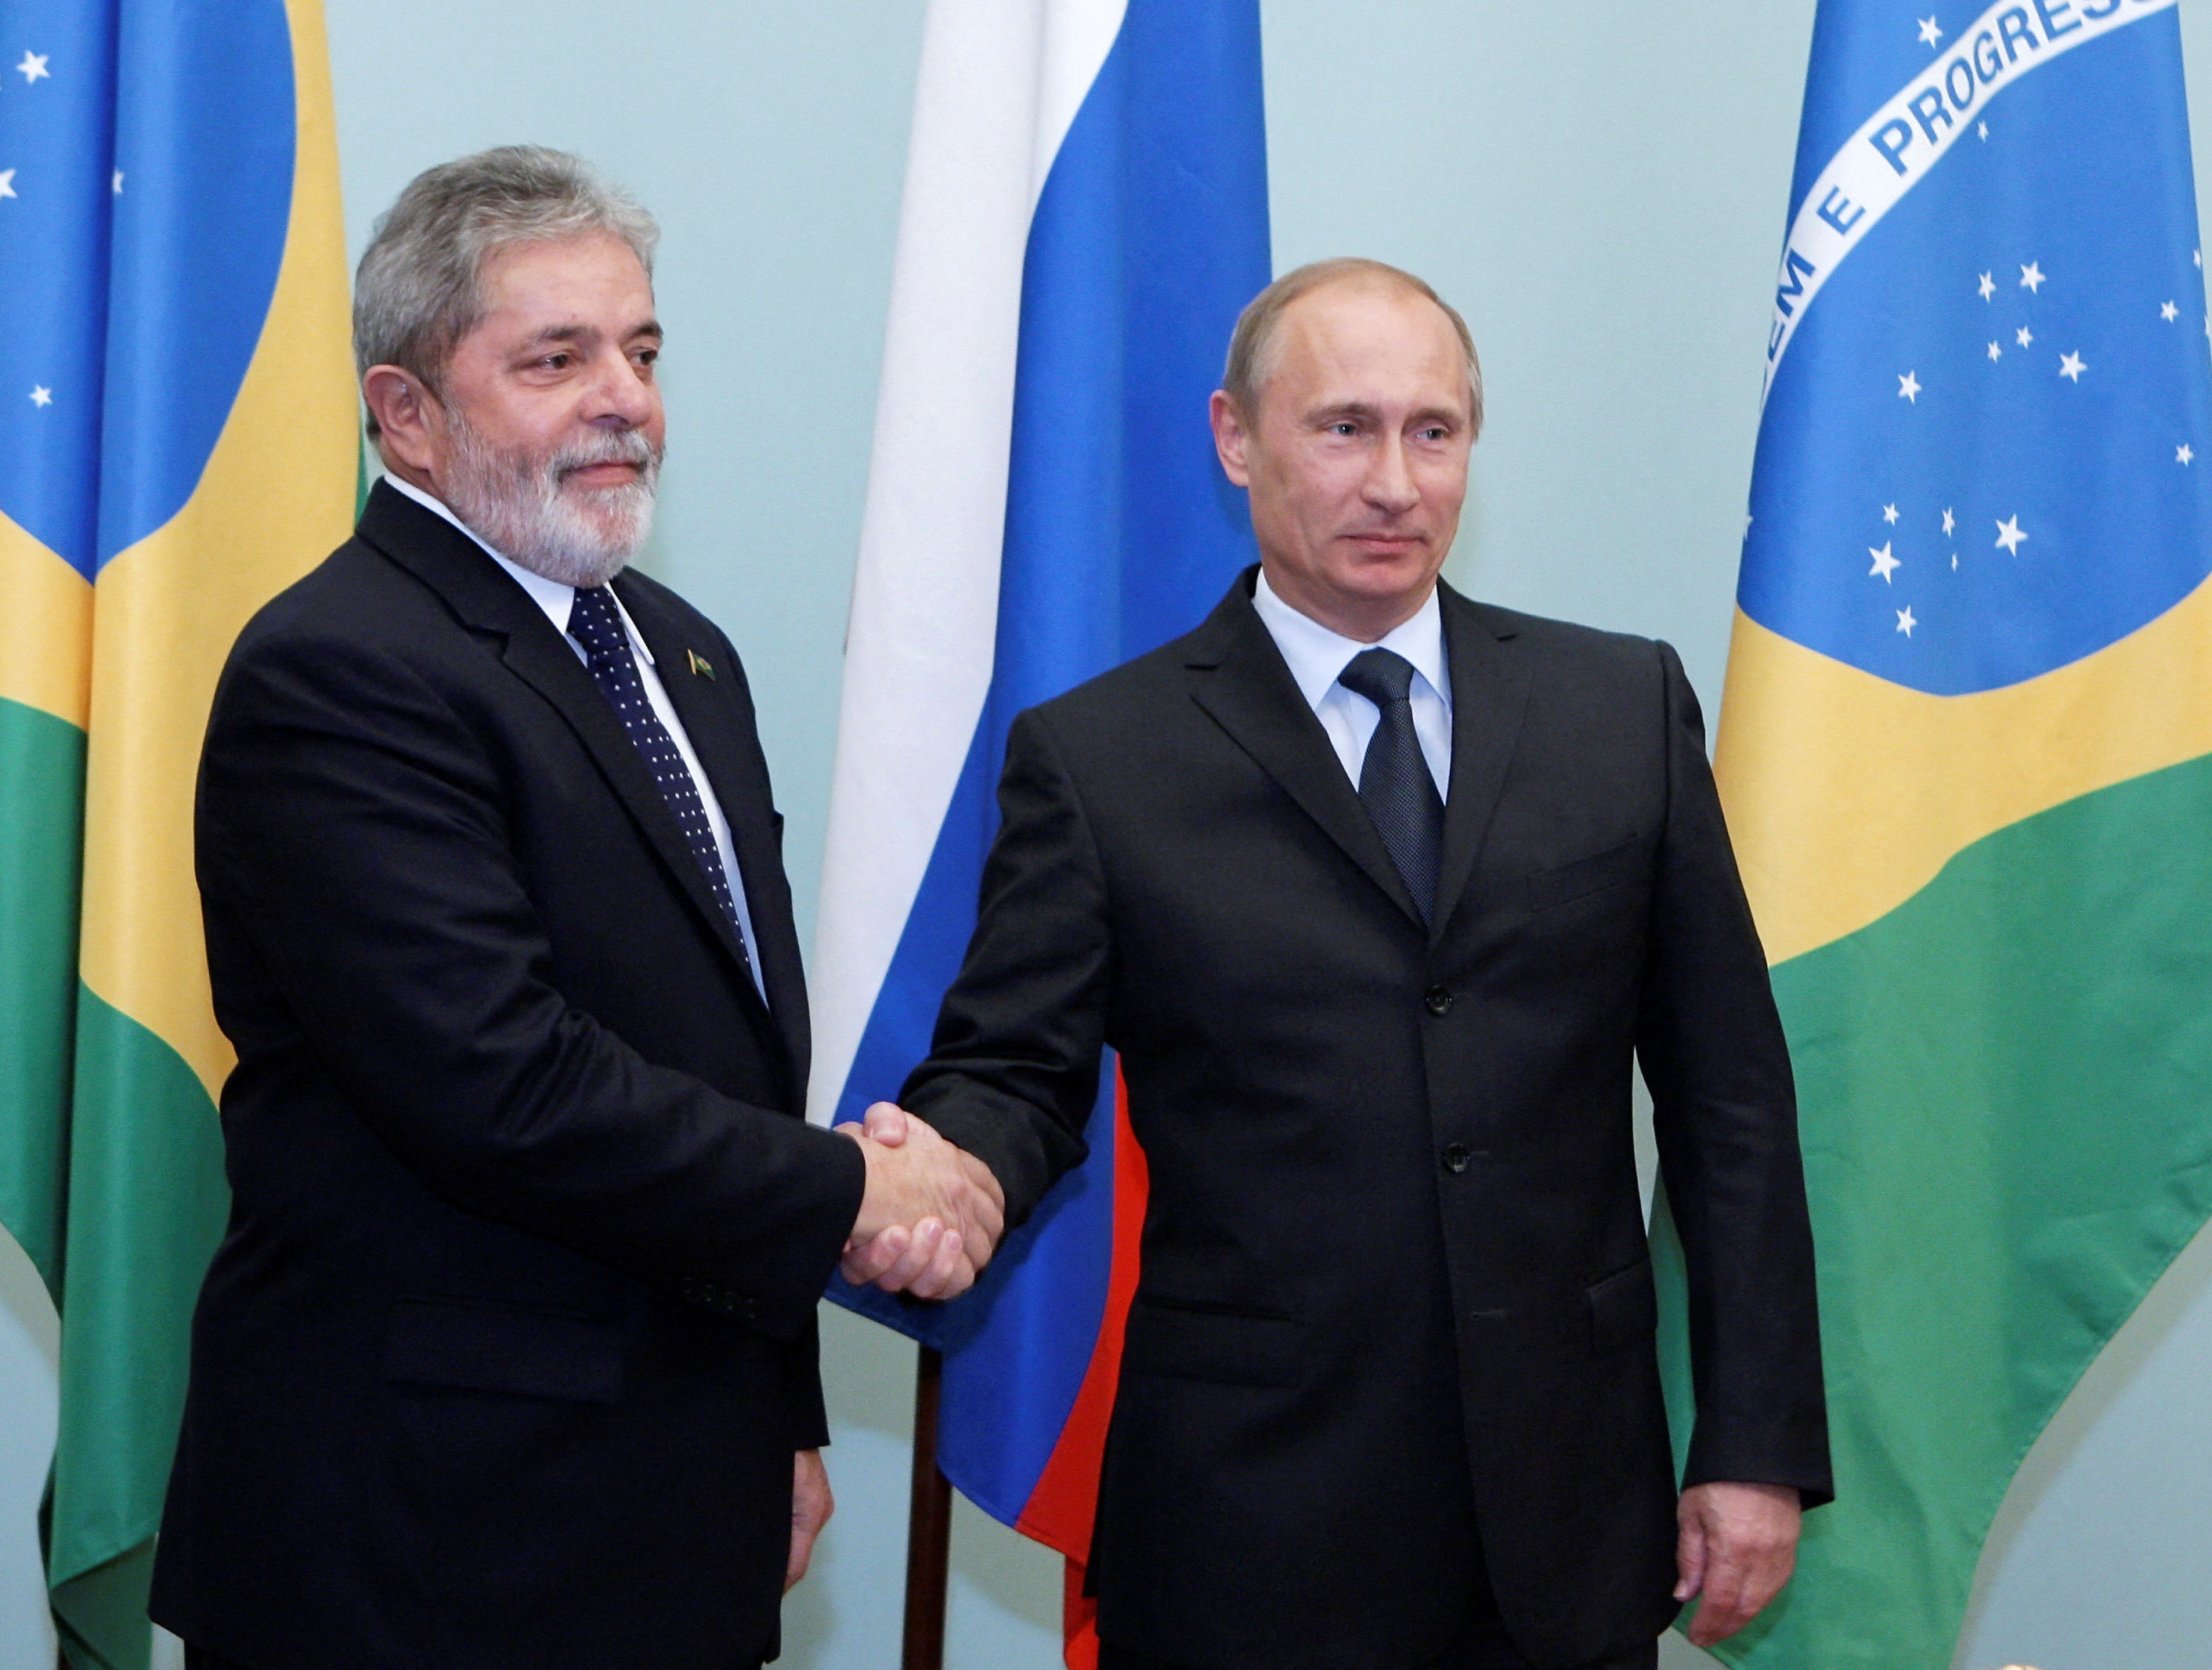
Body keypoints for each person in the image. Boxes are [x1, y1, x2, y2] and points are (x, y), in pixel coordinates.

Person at [867, 259, 1832, 1670]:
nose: (1394, 481)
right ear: (1235, 438)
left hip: (1568, 1526)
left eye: (1431, 432)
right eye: (1343, 428)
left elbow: (1729, 1108)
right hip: (1250, 1531)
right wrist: (944, 1171)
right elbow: (1017, 1073)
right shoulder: (1103, 759)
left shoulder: (1620, 708)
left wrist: (1752, 1444)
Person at [149, 146, 999, 1670]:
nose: (626, 397)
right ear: (403, 413)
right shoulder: (339, 670)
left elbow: (722, 1058)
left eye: (642, 350)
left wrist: (777, 1412)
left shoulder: (681, 656)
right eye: (557, 358)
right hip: (421, 1542)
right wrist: (852, 1197)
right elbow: (504, 1082)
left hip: (671, 1499)